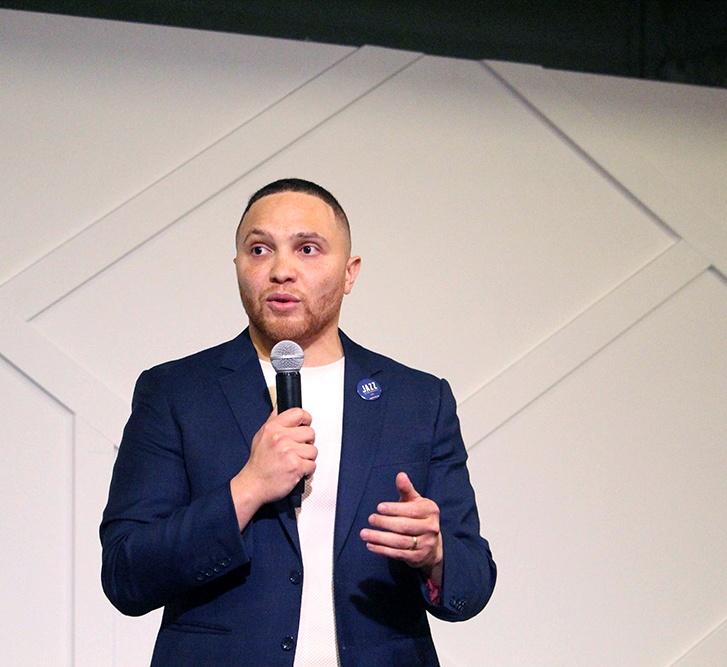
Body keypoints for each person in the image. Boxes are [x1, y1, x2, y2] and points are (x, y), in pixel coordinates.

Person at [100, 178, 496, 666]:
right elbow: (125, 575)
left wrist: (436, 556)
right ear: (238, 266)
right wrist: (247, 489)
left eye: (307, 249)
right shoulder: (176, 392)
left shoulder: (418, 399)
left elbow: (474, 583)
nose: (281, 270)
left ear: (349, 273)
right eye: (259, 249)